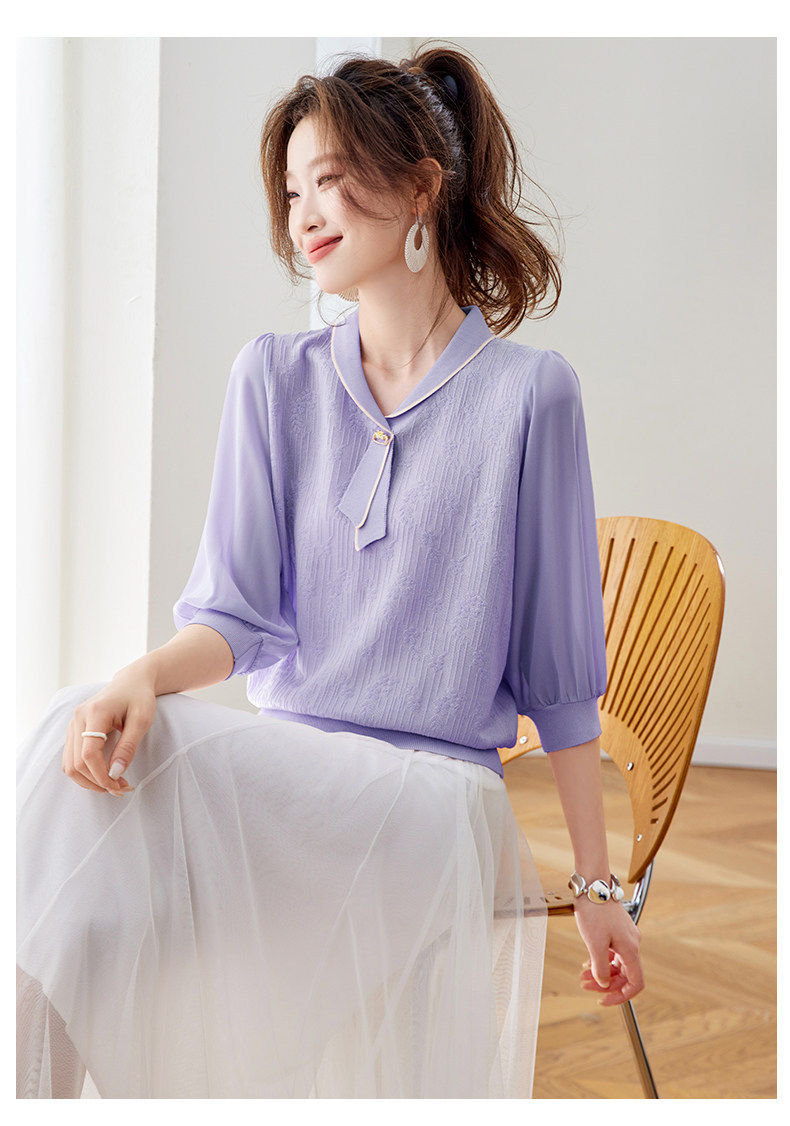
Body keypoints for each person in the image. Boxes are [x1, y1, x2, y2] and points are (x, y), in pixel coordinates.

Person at [16, 45, 643, 1099]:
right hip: (298, 779)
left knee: (82, 798)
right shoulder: (272, 378)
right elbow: (234, 619)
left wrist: (596, 884)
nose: (303, 212)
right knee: (74, 765)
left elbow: (560, 681)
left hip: (432, 803)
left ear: (421, 188)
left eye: (331, 179)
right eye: (292, 188)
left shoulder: (530, 397)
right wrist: (144, 676)